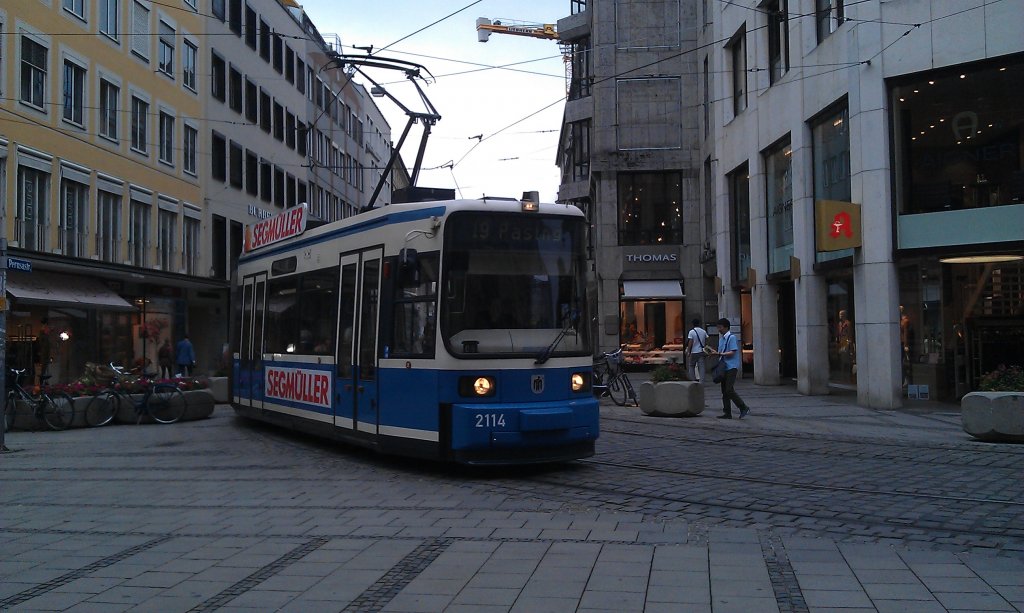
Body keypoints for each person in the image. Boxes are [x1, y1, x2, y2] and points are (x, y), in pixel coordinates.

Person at [707, 318, 750, 419]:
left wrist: (719, 353)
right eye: (718, 327)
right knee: (724, 391)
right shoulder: (722, 339)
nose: (719, 329)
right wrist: (714, 353)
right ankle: (727, 412)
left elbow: (733, 352)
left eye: (720, 327)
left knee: (729, 389)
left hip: (731, 367)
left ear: (726, 327)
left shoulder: (732, 338)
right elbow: (721, 352)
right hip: (723, 367)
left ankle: (743, 407)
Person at [685, 318, 709, 383]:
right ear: (699, 323)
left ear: (693, 324)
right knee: (701, 367)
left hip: (694, 352)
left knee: (691, 366)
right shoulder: (703, 331)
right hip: (701, 351)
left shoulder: (691, 332)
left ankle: (693, 380)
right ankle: (702, 382)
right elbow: (707, 341)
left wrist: (688, 351)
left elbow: (690, 342)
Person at [35, 318, 52, 385]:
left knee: (44, 368)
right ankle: (41, 382)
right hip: (44, 355)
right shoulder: (43, 334)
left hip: (45, 354)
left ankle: (42, 382)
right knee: (43, 369)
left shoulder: (44, 335)